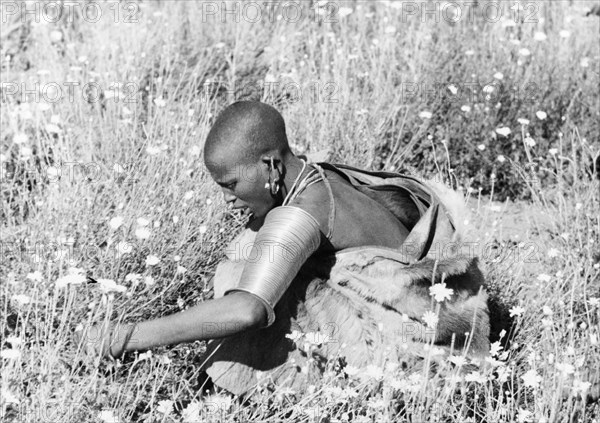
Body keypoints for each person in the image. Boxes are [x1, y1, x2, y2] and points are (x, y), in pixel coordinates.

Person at [76, 101, 490, 396]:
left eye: (231, 184)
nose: (227, 199)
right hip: (438, 315)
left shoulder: (298, 215)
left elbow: (246, 309)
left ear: (271, 166)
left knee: (242, 278)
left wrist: (119, 338)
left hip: (411, 349)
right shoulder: (318, 173)